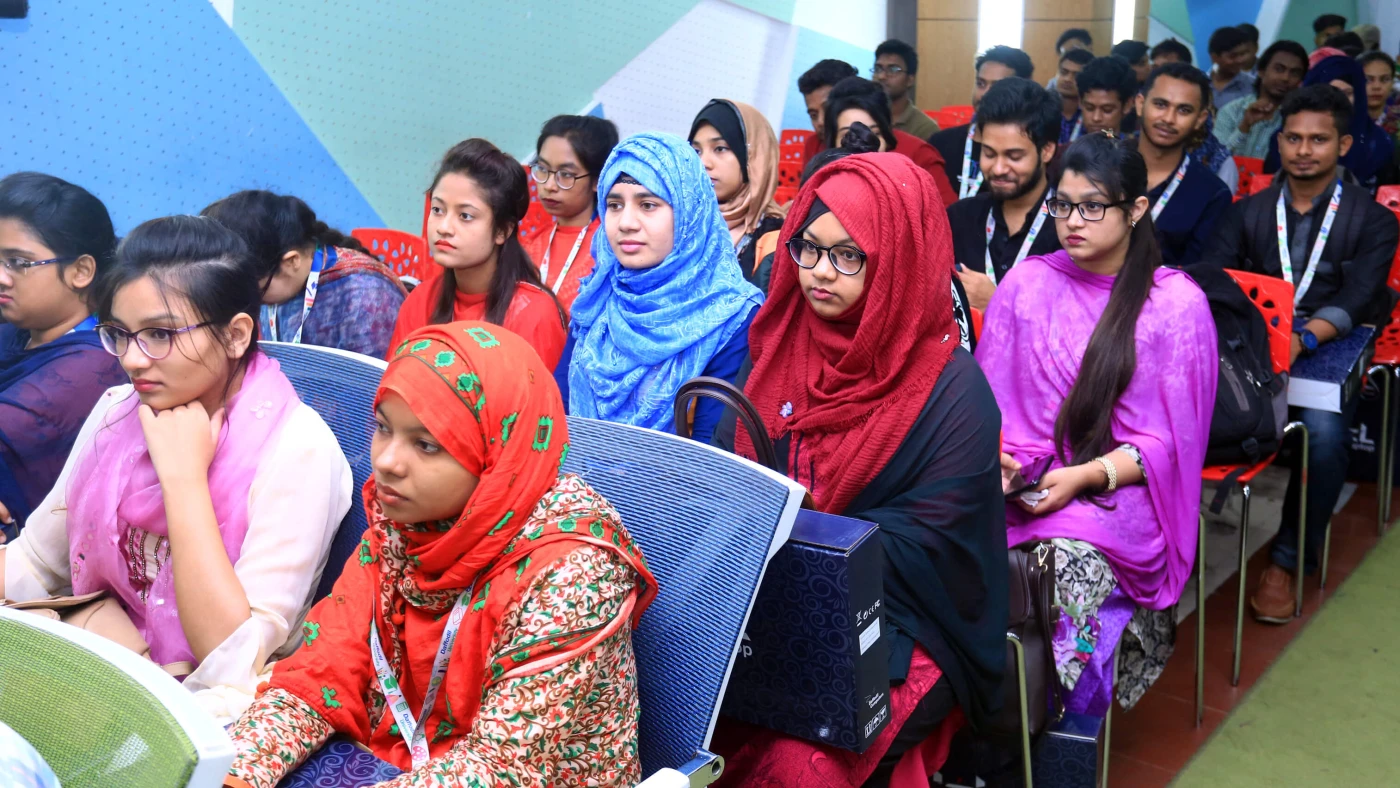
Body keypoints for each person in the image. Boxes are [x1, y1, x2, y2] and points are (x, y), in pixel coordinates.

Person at [221, 322, 657, 788]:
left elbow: (499, 768)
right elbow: (320, 673)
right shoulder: (403, 525)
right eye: (383, 428)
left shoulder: (574, 570)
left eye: (426, 444)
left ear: (493, 453)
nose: (386, 461)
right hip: (400, 765)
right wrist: (231, 774)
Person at [714, 152, 1007, 787]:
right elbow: (729, 471)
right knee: (684, 721)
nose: (821, 272)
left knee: (798, 767)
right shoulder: (779, 347)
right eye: (808, 249)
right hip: (771, 604)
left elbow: (930, 548)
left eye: (849, 255)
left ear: (899, 260)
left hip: (905, 618)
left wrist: (789, 535)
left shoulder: (953, 391)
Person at [0, 215, 353, 722]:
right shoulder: (119, 410)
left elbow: (231, 659)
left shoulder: (299, 449)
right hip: (105, 654)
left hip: (208, 704)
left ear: (235, 335)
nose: (133, 360)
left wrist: (184, 481)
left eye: (160, 334)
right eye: (119, 334)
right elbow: (36, 562)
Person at [978, 133, 1216, 714]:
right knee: (930, 544)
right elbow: (987, 405)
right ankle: (960, 714)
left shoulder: (1174, 306)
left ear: (1136, 209)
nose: (1072, 221)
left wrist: (1085, 476)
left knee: (1059, 577)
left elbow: (1171, 445)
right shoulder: (1027, 284)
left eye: (1092, 206)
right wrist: (999, 458)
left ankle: (1043, 724)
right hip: (1020, 479)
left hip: (1113, 495)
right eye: (1062, 205)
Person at [1203, 85, 1399, 623]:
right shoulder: (1248, 213)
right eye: (1293, 138)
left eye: (1318, 139)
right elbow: (1215, 278)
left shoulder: (1372, 219)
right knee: (1182, 410)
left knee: (1326, 437)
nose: (1303, 150)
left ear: (1344, 145)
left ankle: (1288, 560)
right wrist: (1262, 337)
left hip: (1326, 342)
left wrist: (1304, 337)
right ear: (1280, 141)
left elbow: (1360, 296)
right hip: (1253, 344)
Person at [557, 132, 762, 445]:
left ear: (688, 212)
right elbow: (558, 412)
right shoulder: (600, 297)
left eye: (648, 204)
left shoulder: (731, 317)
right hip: (575, 470)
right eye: (614, 205)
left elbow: (712, 452)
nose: (626, 222)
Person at [0, 173, 125, 540]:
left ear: (81, 271)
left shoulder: (94, 364)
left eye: (18, 262)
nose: (1, 276)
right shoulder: (15, 332)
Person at [389, 139, 566, 369]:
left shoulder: (533, 313)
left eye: (465, 216)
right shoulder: (421, 300)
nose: (444, 227)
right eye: (438, 210)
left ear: (502, 230)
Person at [201, 191, 406, 359]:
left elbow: (370, 386)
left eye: (255, 291)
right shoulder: (277, 280)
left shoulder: (365, 298)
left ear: (291, 262)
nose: (248, 301)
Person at [949, 78, 1063, 309]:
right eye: (989, 154)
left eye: (1014, 157)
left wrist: (997, 302)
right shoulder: (959, 218)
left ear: (1047, 151)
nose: (999, 168)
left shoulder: (1069, 226)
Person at [1135, 63, 1233, 267]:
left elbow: (1197, 274)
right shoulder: (1102, 168)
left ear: (1200, 119)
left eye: (1184, 110)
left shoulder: (1213, 194)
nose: (1169, 119)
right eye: (1160, 104)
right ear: (1140, 104)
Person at [521, 115, 619, 313]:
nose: (549, 185)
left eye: (565, 174)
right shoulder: (527, 247)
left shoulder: (611, 249)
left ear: (597, 180)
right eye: (543, 169)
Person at [1263, 49, 1396, 187]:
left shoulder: (1379, 144)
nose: (1339, 100)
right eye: (1330, 92)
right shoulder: (1285, 138)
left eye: (1347, 94)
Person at [689, 98, 789, 277]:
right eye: (696, 151)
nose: (703, 162)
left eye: (720, 149)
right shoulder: (679, 221)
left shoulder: (776, 238)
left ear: (753, 157)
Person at [824, 76, 958, 204]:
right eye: (851, 135)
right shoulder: (821, 176)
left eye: (874, 134)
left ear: (887, 136)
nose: (864, 145)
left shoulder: (919, 156)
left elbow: (945, 213)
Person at [929, 45, 1035, 199]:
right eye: (981, 84)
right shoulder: (940, 143)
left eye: (997, 86)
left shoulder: (1027, 153)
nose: (985, 94)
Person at [1213, 40, 1309, 159]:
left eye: (1294, 73)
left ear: (1300, 81)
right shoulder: (1232, 111)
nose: (1285, 78)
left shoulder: (1298, 121)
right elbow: (1216, 159)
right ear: (1261, 71)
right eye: (1279, 69)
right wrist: (1244, 127)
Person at [873, 39, 941, 140]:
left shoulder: (926, 129)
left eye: (893, 70)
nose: (881, 76)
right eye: (878, 69)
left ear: (910, 80)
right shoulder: (865, 116)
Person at [797, 59, 859, 162]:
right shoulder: (813, 145)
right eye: (813, 115)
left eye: (827, 109)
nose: (820, 122)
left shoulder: (881, 143)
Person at [1076, 56, 1138, 136]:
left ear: (1127, 105)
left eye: (1107, 110)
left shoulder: (1134, 144)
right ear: (1080, 102)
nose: (1096, 118)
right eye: (1089, 108)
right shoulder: (1069, 144)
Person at [1209, 26, 1257, 111]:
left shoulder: (1253, 87)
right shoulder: (1200, 82)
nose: (1240, 60)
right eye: (1233, 56)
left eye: (1242, 54)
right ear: (1215, 57)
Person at [1057, 48, 1096, 144]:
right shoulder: (1043, 107)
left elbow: (1111, 135)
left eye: (1076, 75)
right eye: (1064, 72)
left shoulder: (1094, 114)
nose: (1067, 79)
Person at [1361, 51, 1400, 143]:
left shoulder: (1397, 119)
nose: (1377, 86)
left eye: (1385, 79)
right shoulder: (1343, 121)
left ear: (1392, 83)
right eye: (1368, 80)